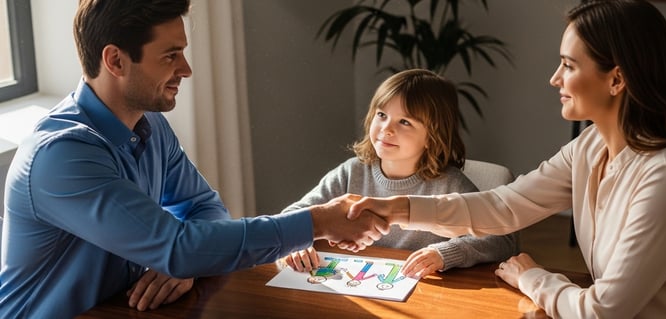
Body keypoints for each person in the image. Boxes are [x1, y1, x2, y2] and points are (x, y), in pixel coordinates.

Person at [346, 0, 666, 317]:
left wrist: (533, 277)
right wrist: (395, 208)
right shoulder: (590, 147)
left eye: (569, 65)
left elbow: (601, 311)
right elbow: (503, 205)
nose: (555, 78)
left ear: (617, 79)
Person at [0, 1, 387, 318]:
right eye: (170, 56)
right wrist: (317, 221)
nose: (185, 69)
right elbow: (180, 247)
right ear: (115, 61)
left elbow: (203, 207)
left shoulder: (149, 123)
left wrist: (188, 264)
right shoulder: (62, 155)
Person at [279, 69, 518, 278]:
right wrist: (296, 241)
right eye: (381, 115)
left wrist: (444, 254)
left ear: (433, 136)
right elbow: (292, 215)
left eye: (404, 122)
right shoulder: (352, 172)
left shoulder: (449, 184)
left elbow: (500, 240)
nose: (386, 129)